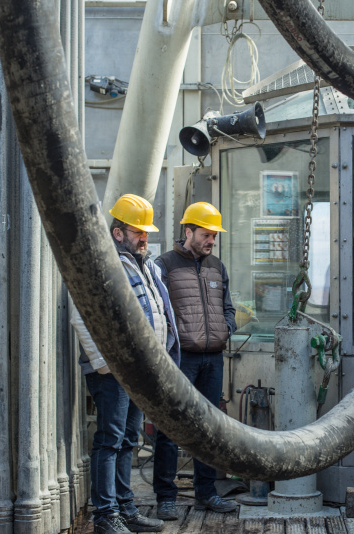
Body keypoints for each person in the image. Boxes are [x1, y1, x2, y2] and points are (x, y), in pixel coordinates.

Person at [71, 194, 180, 534]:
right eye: (138, 232)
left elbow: (158, 313)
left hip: (139, 372)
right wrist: (106, 364)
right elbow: (81, 314)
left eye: (146, 232)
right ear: (118, 233)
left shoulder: (146, 265)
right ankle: (106, 515)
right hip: (113, 373)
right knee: (110, 439)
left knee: (129, 439)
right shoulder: (101, 264)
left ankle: (126, 509)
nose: (144, 237)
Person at [153, 202, 238, 518]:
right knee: (169, 427)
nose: (211, 241)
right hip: (180, 359)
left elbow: (228, 307)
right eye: (206, 234)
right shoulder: (164, 265)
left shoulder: (217, 267)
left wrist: (226, 328)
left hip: (213, 359)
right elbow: (157, 312)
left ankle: (207, 493)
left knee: (208, 428)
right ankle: (166, 497)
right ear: (188, 231)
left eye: (214, 236)